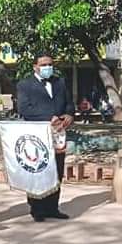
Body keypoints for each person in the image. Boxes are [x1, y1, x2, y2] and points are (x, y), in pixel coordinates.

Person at [16, 53, 75, 222]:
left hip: (58, 133)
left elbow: (69, 103)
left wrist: (69, 115)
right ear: (35, 66)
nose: (47, 67)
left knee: (57, 168)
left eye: (50, 64)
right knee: (39, 169)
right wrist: (48, 118)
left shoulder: (60, 82)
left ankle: (53, 207)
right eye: (43, 65)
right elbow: (24, 109)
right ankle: (37, 208)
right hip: (37, 134)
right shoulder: (25, 85)